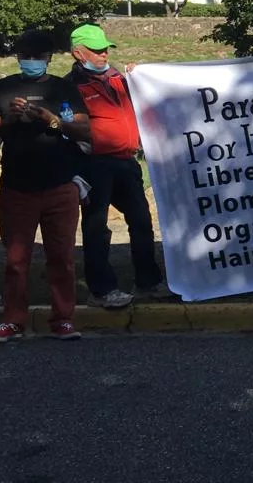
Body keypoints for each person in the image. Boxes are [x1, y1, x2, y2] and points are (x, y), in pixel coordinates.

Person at [0, 30, 92, 344]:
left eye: (38, 57)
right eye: (26, 56)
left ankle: (63, 319)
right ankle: (12, 320)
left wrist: (53, 120)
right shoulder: (2, 89)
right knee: (16, 260)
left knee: (62, 257)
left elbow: (84, 130)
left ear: (48, 58)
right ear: (18, 58)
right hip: (18, 187)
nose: (32, 62)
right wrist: (9, 121)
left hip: (60, 185)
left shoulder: (63, 88)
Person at [66, 23, 167, 309]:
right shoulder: (70, 86)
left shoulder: (118, 80)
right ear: (78, 53)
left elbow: (146, 99)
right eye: (96, 50)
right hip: (94, 164)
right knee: (96, 227)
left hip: (126, 160)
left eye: (105, 48)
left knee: (141, 221)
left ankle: (148, 283)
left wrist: (140, 77)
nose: (103, 54)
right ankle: (101, 290)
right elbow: (70, 127)